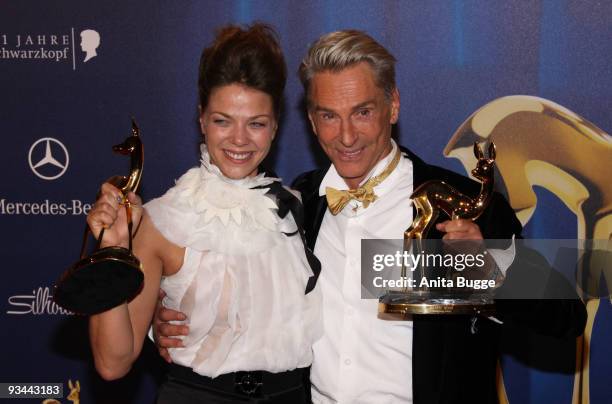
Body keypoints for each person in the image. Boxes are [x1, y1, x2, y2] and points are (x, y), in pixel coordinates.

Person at [154, 29, 587, 403]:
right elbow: (240, 294)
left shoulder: (460, 201)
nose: (346, 136)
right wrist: (167, 314)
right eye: (329, 116)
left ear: (392, 106)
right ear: (310, 120)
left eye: (362, 112)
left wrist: (490, 270)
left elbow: (567, 317)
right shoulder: (296, 204)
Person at [86, 23, 321, 403]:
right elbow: (113, 363)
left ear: (276, 126)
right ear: (201, 119)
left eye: (256, 124)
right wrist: (112, 251)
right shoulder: (163, 219)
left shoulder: (297, 208)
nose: (239, 140)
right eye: (222, 120)